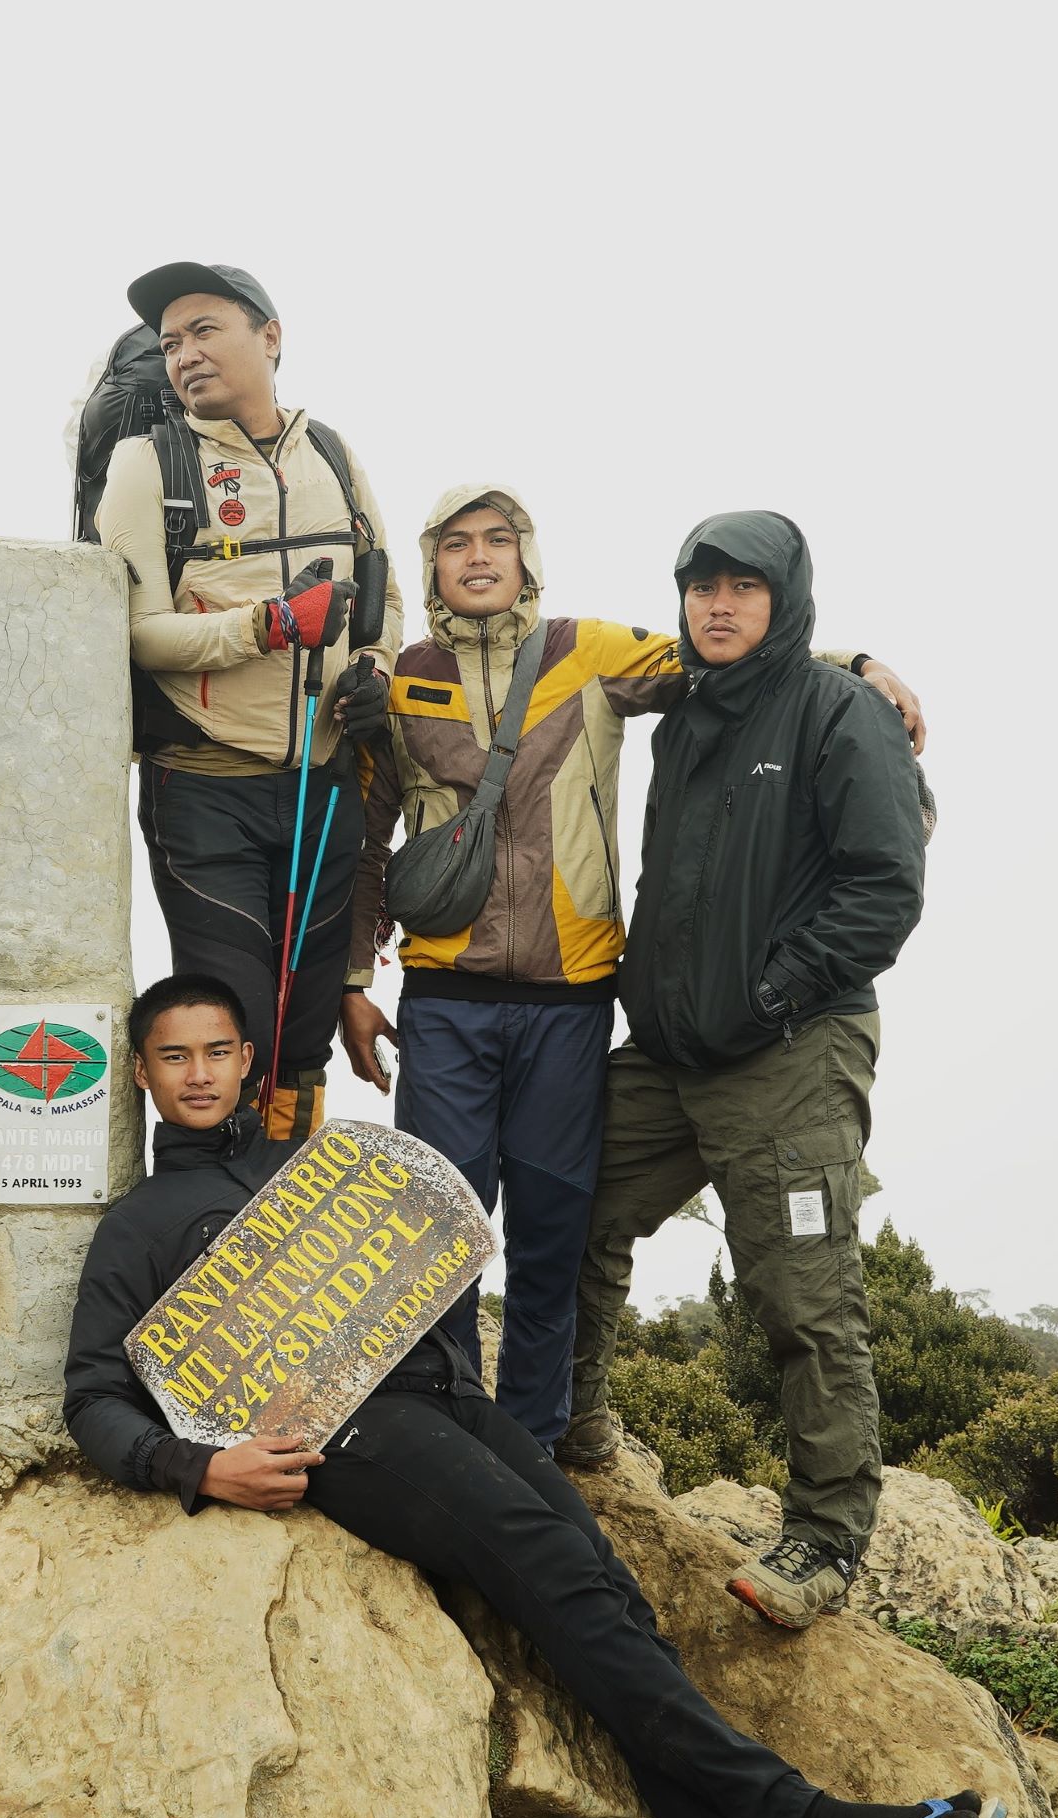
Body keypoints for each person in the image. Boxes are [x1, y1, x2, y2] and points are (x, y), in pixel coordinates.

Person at [62, 974, 1002, 1818]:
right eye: (174, 1057)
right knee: (554, 1568)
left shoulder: (318, 1163)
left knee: (609, 1591)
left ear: (247, 1061)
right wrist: (198, 1468)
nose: (198, 1074)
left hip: (452, 1397)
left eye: (216, 1052)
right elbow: (93, 1395)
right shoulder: (138, 1225)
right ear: (141, 1072)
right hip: (346, 1430)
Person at [340, 486, 923, 1452]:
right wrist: (354, 984)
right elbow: (364, 844)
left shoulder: (591, 651)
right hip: (444, 1000)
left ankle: (535, 1443)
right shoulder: (398, 680)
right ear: (430, 564)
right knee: (436, 1233)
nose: (478, 557)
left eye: (498, 539)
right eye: (455, 543)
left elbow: (727, 656)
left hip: (573, 1004)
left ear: (527, 557)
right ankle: (442, 1434)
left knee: (553, 1234)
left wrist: (856, 665)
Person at [562, 511, 929, 1632]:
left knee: (801, 1291)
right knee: (571, 1197)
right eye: (701, 587)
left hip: (788, 1051)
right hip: (673, 1050)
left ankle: (824, 1536)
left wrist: (772, 993)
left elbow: (884, 887)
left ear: (785, 600)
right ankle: (572, 1428)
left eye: (744, 588)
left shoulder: (839, 711)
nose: (718, 606)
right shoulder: (688, 708)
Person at [91, 261, 401, 1142]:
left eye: (204, 330)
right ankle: (204, 1203)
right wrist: (265, 626)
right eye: (170, 343)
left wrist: (372, 668)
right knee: (231, 1023)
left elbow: (383, 592)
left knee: (303, 1032)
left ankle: (285, 1196)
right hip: (203, 783)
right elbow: (137, 632)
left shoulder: (332, 453)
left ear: (270, 337)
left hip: (323, 777)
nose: (184, 354)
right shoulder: (146, 464)